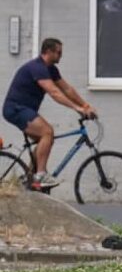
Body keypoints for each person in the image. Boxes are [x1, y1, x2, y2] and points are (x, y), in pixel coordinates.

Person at [2, 38, 97, 189]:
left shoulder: (51, 69)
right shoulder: (37, 68)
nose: (61, 56)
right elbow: (54, 92)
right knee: (47, 131)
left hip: (25, 110)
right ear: (48, 51)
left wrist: (85, 105)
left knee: (46, 139)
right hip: (16, 108)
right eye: (58, 52)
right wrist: (77, 109)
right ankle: (40, 175)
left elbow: (67, 89)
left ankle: (29, 178)